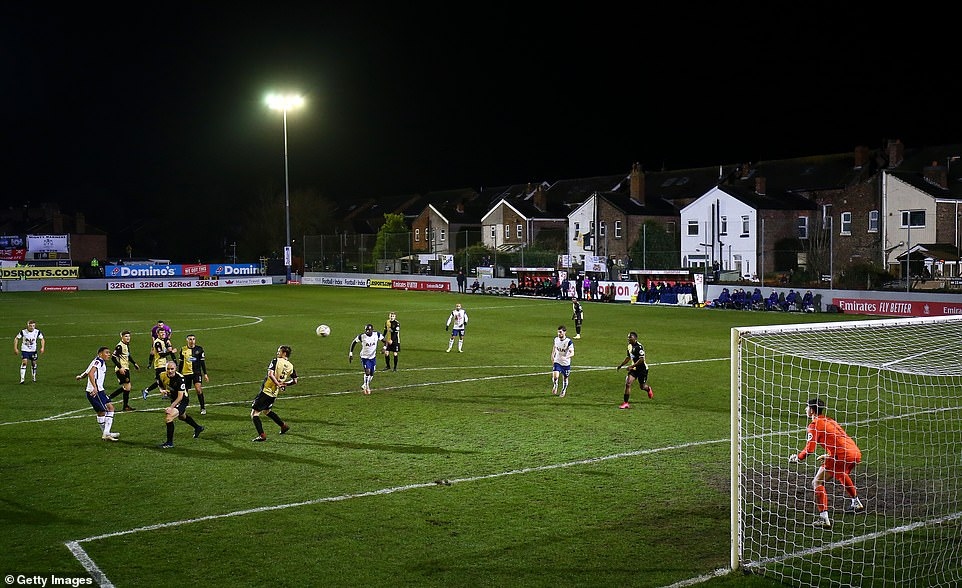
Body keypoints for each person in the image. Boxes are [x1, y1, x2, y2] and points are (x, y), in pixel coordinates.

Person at [789, 398, 864, 528]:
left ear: (812, 410)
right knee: (841, 474)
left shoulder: (814, 425)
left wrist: (799, 458)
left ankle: (824, 519)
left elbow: (810, 449)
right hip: (855, 452)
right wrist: (829, 455)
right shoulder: (830, 420)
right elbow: (838, 440)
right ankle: (856, 502)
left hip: (841, 455)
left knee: (817, 482)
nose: (805, 409)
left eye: (806, 407)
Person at [251, 345, 297, 442]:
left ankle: (262, 435)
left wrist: (278, 384)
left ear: (284, 353)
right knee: (267, 411)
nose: (277, 353)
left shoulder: (276, 361)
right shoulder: (291, 366)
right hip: (274, 393)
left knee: (254, 414)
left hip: (266, 391)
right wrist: (284, 384)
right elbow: (295, 381)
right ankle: (283, 426)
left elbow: (270, 374)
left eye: (279, 351)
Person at [75, 346, 119, 441]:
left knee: (110, 408)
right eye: (106, 352)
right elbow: (91, 373)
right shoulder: (99, 362)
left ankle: (106, 433)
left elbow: (87, 372)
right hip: (95, 391)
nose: (109, 354)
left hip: (100, 390)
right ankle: (106, 433)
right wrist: (95, 387)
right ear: (100, 354)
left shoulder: (96, 361)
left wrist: (80, 377)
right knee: (102, 412)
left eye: (109, 353)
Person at [158, 360, 205, 448]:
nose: (170, 371)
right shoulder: (162, 375)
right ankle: (198, 427)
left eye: (172, 369)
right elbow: (159, 384)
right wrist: (162, 390)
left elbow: (180, 397)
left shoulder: (180, 378)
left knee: (169, 417)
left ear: (175, 369)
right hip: (174, 399)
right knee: (182, 416)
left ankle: (169, 443)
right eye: (168, 369)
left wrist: (171, 408)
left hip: (182, 400)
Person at [616, 331, 654, 409]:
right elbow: (628, 357)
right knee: (628, 383)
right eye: (628, 337)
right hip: (634, 369)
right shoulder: (629, 346)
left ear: (635, 338)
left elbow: (642, 360)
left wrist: (632, 365)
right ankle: (626, 403)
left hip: (642, 369)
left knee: (642, 386)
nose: (628, 338)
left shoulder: (639, 347)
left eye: (630, 337)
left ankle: (648, 389)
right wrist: (621, 365)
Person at [108, 330, 140, 412]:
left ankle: (121, 404)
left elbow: (128, 356)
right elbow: (113, 357)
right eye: (126, 336)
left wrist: (134, 363)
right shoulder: (120, 346)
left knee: (126, 388)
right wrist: (120, 367)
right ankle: (110, 398)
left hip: (126, 368)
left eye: (129, 336)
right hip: (121, 369)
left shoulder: (126, 345)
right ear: (121, 337)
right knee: (127, 387)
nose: (128, 338)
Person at [179, 334, 209, 414]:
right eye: (190, 339)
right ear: (187, 340)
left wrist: (205, 374)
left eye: (193, 339)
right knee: (185, 392)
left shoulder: (199, 349)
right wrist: (178, 373)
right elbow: (181, 363)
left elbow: (202, 362)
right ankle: (183, 407)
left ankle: (203, 408)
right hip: (186, 373)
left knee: (198, 390)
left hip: (196, 373)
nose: (192, 341)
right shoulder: (183, 349)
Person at [349, 323, 384, 394]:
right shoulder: (362, 336)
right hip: (364, 357)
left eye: (369, 330)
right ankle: (367, 386)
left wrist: (384, 348)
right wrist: (350, 353)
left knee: (372, 373)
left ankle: (364, 384)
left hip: (372, 357)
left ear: (372, 330)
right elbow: (354, 342)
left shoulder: (377, 334)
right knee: (367, 372)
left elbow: (385, 341)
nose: (367, 332)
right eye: (366, 330)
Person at [142, 329, 175, 399]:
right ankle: (147, 390)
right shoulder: (157, 342)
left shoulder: (163, 341)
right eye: (161, 333)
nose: (163, 334)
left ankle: (165, 393)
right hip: (159, 364)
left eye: (164, 332)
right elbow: (161, 354)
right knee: (161, 380)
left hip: (163, 363)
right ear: (157, 334)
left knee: (162, 380)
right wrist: (171, 352)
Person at [14, 320, 45, 384]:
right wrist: (15, 348)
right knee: (24, 362)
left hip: (33, 351)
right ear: (28, 325)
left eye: (33, 326)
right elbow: (16, 338)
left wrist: (42, 347)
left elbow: (42, 339)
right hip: (25, 350)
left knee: (33, 363)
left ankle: (34, 377)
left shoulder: (37, 332)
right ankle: (22, 379)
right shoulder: (23, 332)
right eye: (30, 326)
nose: (32, 327)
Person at [550, 325, 575, 397]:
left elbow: (572, 353)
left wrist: (566, 357)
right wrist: (552, 355)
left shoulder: (568, 342)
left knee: (565, 377)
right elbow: (554, 347)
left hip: (565, 363)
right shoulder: (556, 339)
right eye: (558, 332)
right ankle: (555, 385)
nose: (559, 334)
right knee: (555, 376)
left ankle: (563, 390)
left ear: (564, 332)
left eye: (560, 332)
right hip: (557, 361)